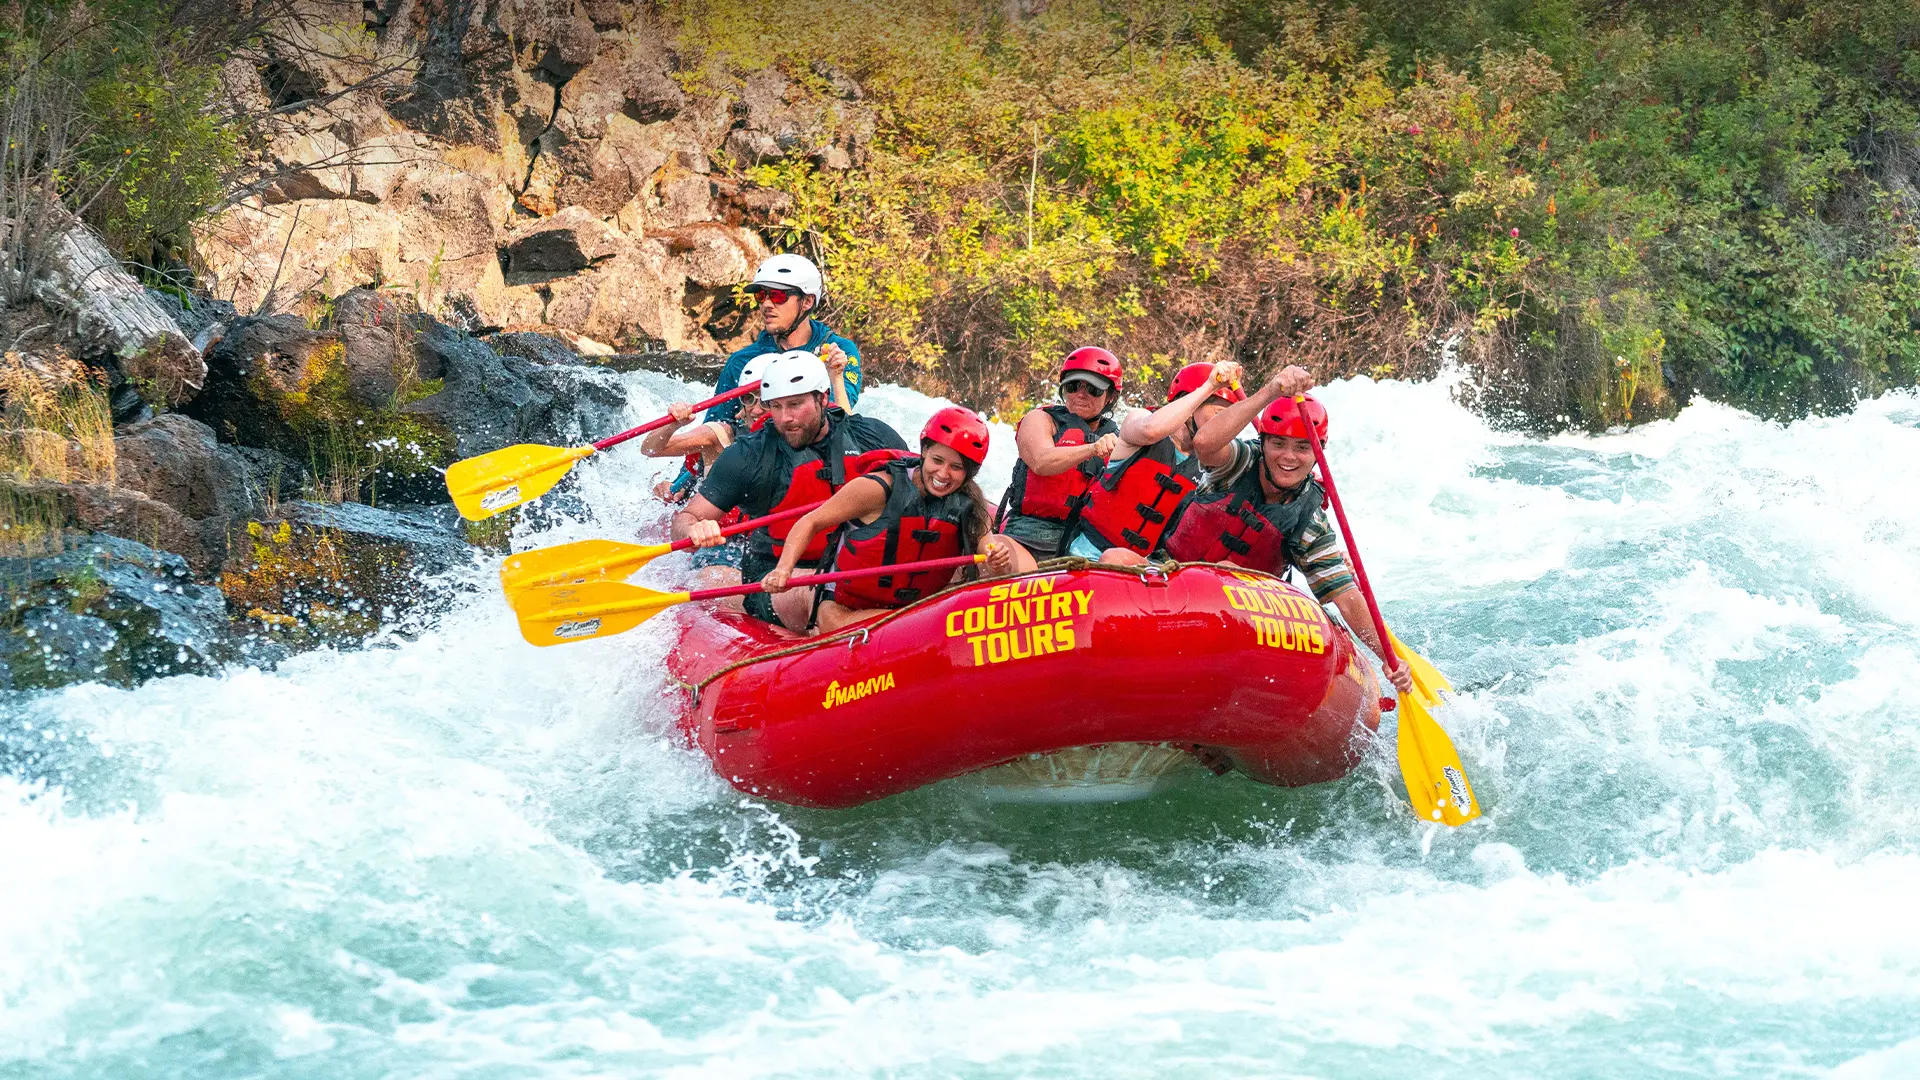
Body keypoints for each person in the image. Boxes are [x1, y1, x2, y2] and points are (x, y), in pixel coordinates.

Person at [1172, 366, 1414, 694]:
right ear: (1263, 443)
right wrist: (1271, 390)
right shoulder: (1240, 462)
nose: (1288, 457)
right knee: (1119, 558)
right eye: (1278, 443)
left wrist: (1389, 658)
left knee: (1228, 570)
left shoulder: (1309, 520)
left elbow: (1345, 597)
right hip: (1172, 585)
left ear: (1318, 452)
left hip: (1240, 624)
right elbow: (1204, 443)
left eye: (1302, 447)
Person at [674, 350, 908, 631]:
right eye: (776, 406)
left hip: (859, 562)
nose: (785, 418)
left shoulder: (871, 436)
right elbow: (685, 519)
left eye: (795, 404)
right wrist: (694, 529)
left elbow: (922, 491)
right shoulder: (748, 455)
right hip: (776, 575)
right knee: (827, 594)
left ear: (823, 398)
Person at [764, 406, 1031, 633]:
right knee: (845, 621)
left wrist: (998, 561)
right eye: (937, 460)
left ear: (969, 473)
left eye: (956, 467)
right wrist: (783, 569)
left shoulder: (971, 503)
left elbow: (989, 550)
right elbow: (810, 522)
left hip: (916, 611)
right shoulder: (878, 488)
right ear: (924, 453)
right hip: (846, 608)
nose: (943, 474)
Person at [1063, 360, 1245, 563]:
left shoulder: (1215, 464)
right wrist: (1209, 386)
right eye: (1219, 414)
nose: (1223, 426)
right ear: (1189, 403)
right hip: (1087, 556)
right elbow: (1149, 430)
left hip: (1148, 568)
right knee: (1114, 558)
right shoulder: (1139, 420)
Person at [996, 346, 1123, 560]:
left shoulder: (1117, 438)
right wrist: (1092, 448)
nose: (1080, 394)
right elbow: (1040, 461)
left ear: (1110, 397)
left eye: (1093, 389)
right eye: (1073, 386)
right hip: (1027, 532)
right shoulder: (1040, 419)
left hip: (1080, 542)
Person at [706, 253, 862, 426]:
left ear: (807, 301)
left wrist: (835, 375)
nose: (766, 304)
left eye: (777, 296)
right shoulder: (740, 361)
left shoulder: (838, 351)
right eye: (761, 296)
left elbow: (841, 419)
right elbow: (714, 427)